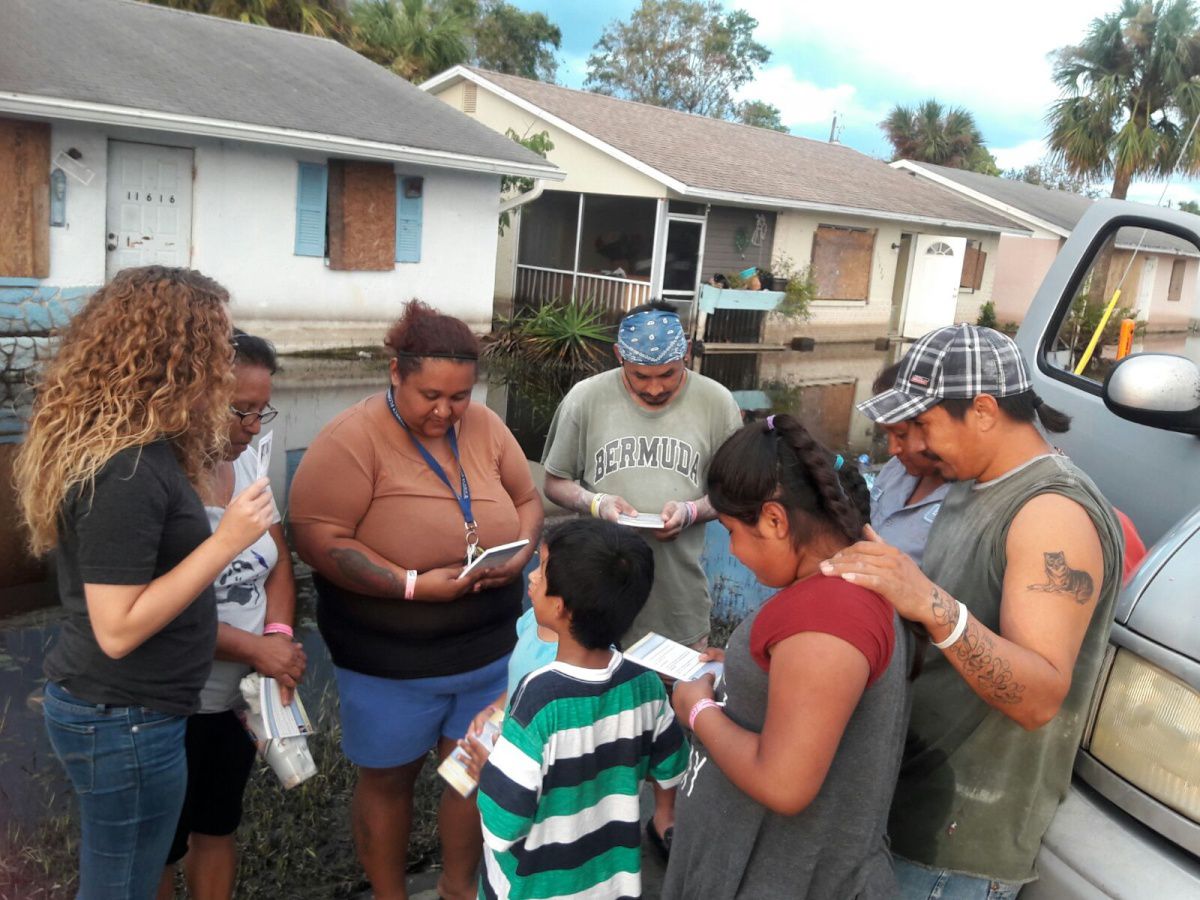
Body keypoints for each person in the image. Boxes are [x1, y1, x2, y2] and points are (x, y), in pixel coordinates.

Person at [821, 324, 1124, 898]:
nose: (915, 444)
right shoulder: (971, 482)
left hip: (956, 842)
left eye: (924, 424)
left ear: (983, 410)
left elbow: (1038, 697)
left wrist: (929, 602)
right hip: (906, 801)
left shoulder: (1051, 513)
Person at [14, 267, 275, 900]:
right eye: (216, 345)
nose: (225, 362)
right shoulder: (124, 468)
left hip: (133, 713)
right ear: (177, 353)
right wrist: (226, 541)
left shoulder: (143, 448)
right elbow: (117, 627)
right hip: (123, 717)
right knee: (120, 887)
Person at [288, 300, 543, 900]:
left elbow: (528, 500)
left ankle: (457, 889)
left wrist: (521, 553)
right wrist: (410, 585)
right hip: (389, 664)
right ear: (395, 373)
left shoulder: (486, 427)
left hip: (486, 657)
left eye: (459, 396)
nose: (445, 411)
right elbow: (318, 539)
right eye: (430, 395)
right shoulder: (352, 439)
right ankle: (389, 894)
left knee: (468, 777)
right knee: (388, 782)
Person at [662, 414, 912, 899]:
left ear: (775, 520)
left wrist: (697, 709)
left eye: (732, 530)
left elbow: (785, 784)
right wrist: (738, 670)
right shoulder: (832, 591)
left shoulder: (830, 614)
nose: (733, 550)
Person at [540, 299, 740, 854]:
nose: (654, 389)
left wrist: (694, 511)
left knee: (676, 705)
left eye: (668, 375)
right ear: (618, 358)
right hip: (598, 587)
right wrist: (596, 503)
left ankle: (665, 816)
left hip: (677, 588)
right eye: (640, 376)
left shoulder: (717, 402)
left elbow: (734, 492)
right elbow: (554, 481)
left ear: (687, 355)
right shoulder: (586, 398)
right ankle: (595, 811)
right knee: (594, 702)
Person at [160, 332, 306, 900]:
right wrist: (258, 650)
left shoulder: (246, 465)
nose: (251, 427)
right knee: (161, 845)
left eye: (260, 411)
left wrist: (279, 636)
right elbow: (162, 606)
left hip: (240, 700)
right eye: (239, 410)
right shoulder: (159, 483)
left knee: (218, 824)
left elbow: (278, 563)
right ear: (193, 397)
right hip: (175, 701)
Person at [474, 519, 688, 900]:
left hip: (533, 888)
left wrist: (487, 770)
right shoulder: (646, 684)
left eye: (542, 570)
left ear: (560, 607)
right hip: (611, 882)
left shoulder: (537, 701)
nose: (532, 576)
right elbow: (673, 765)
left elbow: (501, 826)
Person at [868, 361, 949, 568]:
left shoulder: (969, 500)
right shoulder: (896, 468)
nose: (892, 449)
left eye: (901, 435)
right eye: (887, 434)